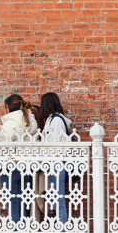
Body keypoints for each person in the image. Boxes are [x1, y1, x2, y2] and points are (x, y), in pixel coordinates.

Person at [0, 94, 38, 224]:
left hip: (10, 163)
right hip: (26, 163)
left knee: (12, 199)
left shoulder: (10, 123)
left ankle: (15, 230)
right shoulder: (31, 121)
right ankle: (23, 229)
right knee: (23, 198)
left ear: (8, 107)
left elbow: (4, 144)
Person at [39, 92, 72, 225]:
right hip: (52, 162)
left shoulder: (57, 120)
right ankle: (60, 227)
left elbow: (55, 143)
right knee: (55, 197)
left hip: (57, 162)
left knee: (59, 198)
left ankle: (62, 230)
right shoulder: (51, 119)